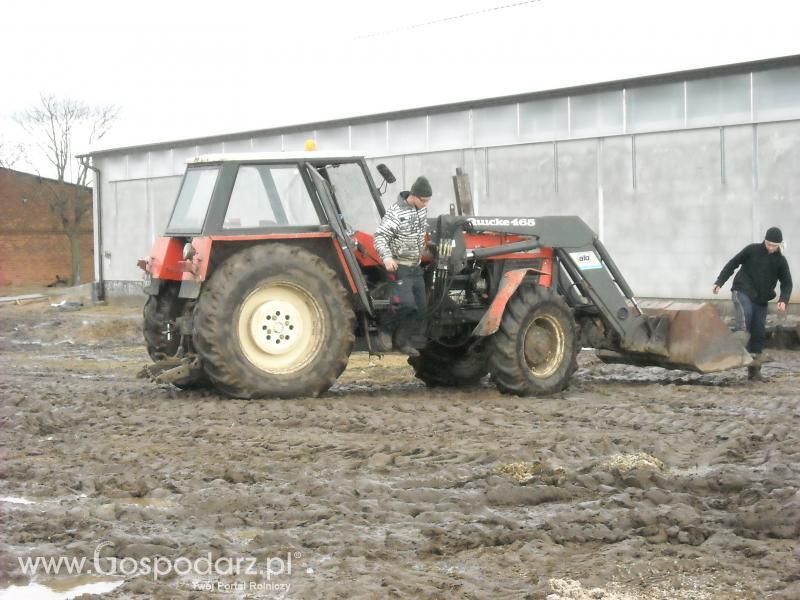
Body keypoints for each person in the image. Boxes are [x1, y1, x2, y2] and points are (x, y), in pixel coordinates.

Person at [713, 226, 793, 381]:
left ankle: (754, 372)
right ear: (764, 240)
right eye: (768, 244)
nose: (770, 248)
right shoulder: (752, 250)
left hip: (761, 300)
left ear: (779, 245)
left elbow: (787, 283)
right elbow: (733, 263)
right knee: (746, 314)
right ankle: (734, 348)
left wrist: (783, 300)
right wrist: (719, 282)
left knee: (758, 334)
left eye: (774, 246)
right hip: (742, 290)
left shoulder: (781, 261)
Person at [374, 175, 432, 356]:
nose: (426, 204)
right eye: (423, 200)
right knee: (406, 304)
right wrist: (387, 258)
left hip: (416, 266)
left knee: (421, 307)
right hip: (400, 266)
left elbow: (420, 232)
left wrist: (425, 250)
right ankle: (385, 331)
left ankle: (402, 340)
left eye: (428, 201)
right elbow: (380, 237)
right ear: (413, 196)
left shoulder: (421, 210)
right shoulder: (396, 212)